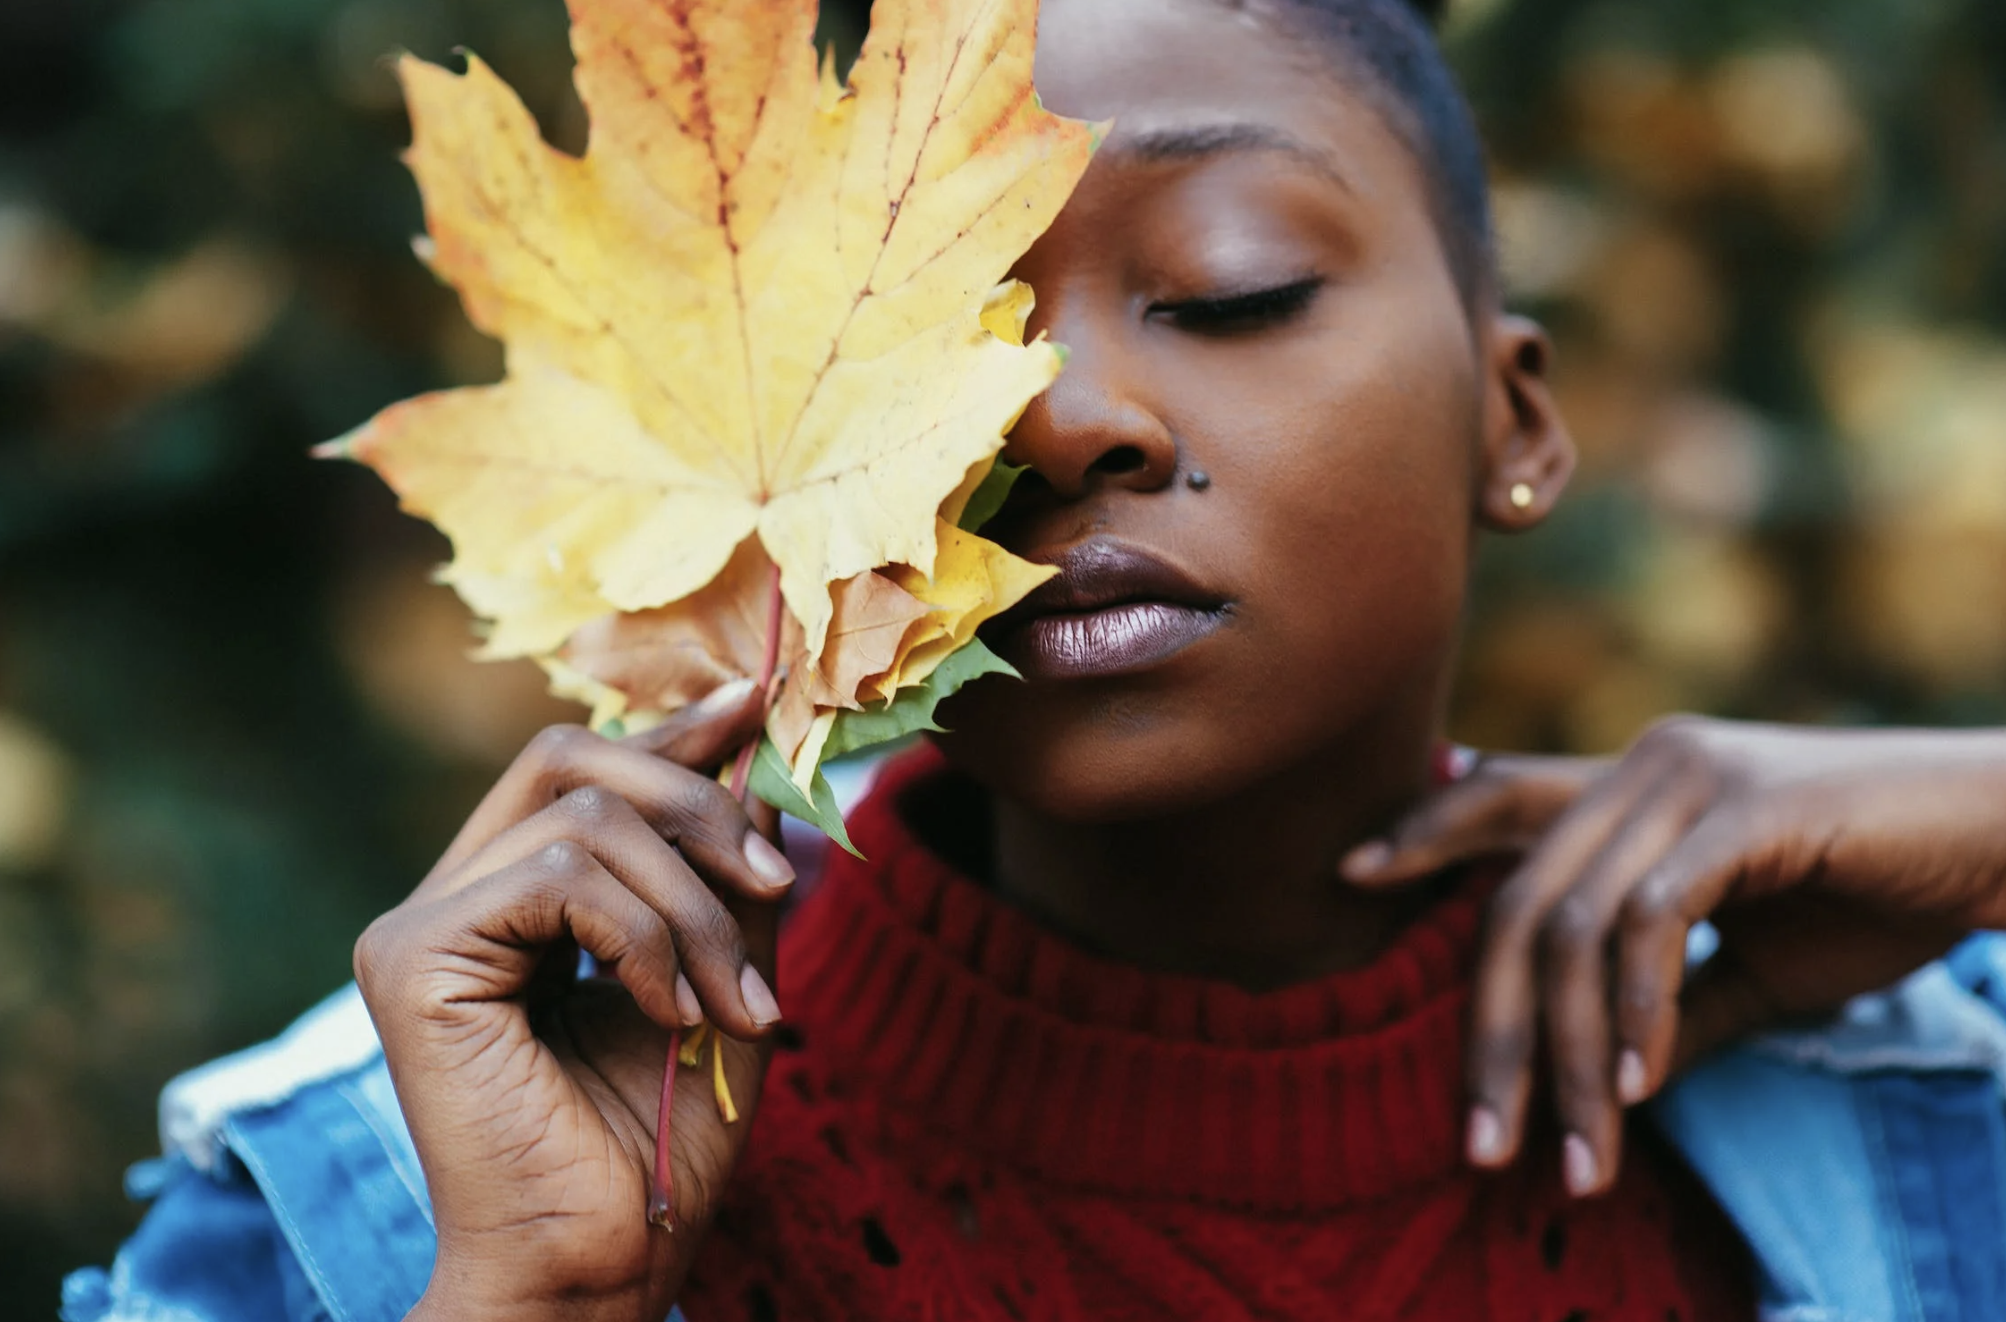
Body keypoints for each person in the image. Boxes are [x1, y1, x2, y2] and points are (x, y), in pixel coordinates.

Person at [62, 1, 2006, 1319]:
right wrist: (523, 1297)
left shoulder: (1924, 1067)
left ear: (1514, 421)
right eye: (944, 329)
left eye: (1227, 280)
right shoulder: (382, 1176)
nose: (1060, 416)